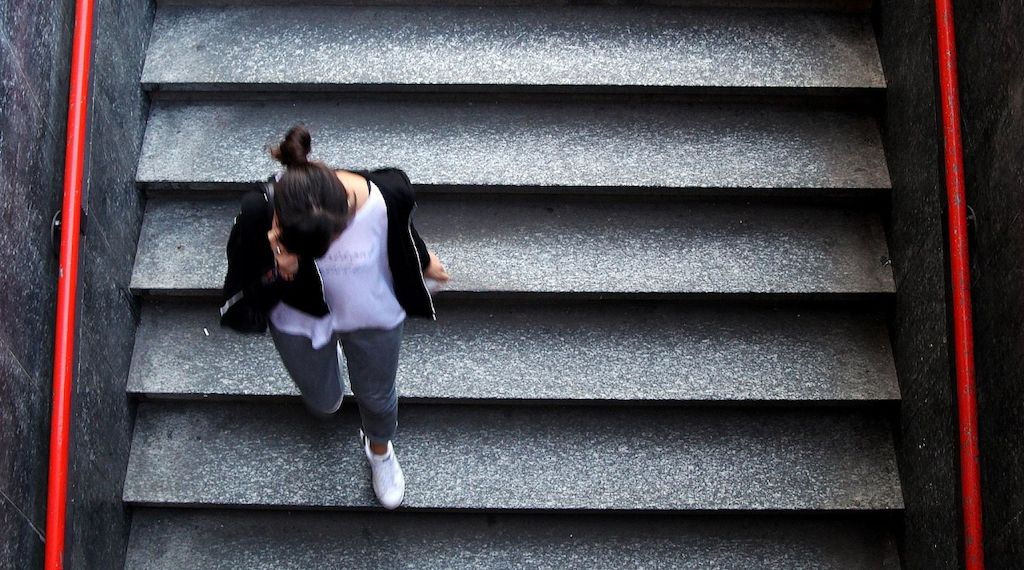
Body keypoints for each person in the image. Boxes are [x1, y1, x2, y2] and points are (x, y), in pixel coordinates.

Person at [219, 125, 449, 509]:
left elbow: (401, 230)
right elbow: (247, 292)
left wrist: (423, 260)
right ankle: (335, 368)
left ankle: (379, 449)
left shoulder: (386, 192)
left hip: (373, 315)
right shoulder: (259, 211)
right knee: (325, 401)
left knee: (377, 396)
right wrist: (282, 269)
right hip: (303, 322)